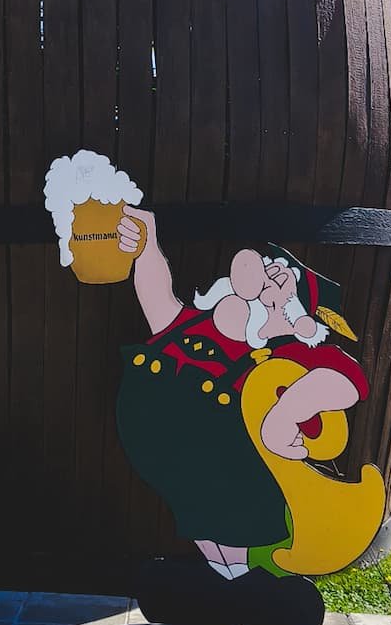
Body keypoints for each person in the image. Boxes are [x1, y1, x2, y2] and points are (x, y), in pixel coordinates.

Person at [114, 205, 374, 581]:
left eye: (272, 288)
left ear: (291, 316)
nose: (254, 287)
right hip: (173, 463)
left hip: (229, 468)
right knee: (200, 518)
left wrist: (287, 412)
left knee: (233, 517)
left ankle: (236, 575)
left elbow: (346, 381)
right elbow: (157, 296)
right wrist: (148, 247)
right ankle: (223, 574)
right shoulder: (192, 325)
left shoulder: (280, 354)